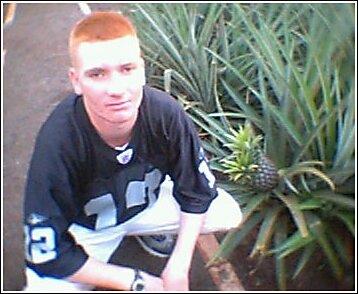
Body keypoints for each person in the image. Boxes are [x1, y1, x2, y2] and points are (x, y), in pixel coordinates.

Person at [23, 11, 242, 291]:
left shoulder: (166, 114)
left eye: (126, 69)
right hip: (89, 231)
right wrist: (137, 282)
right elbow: (45, 252)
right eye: (97, 74)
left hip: (144, 205)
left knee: (226, 212)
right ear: (76, 81)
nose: (116, 89)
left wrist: (179, 265)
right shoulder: (58, 142)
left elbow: (197, 192)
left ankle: (150, 231)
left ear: (142, 69)